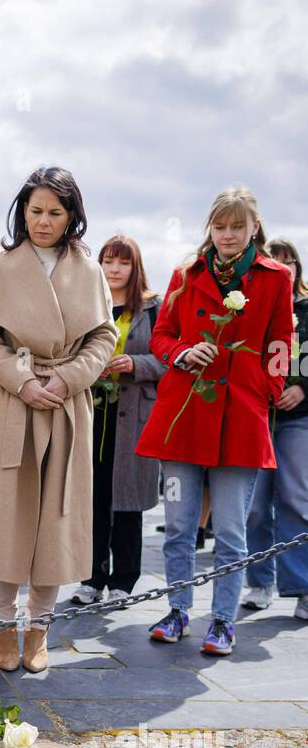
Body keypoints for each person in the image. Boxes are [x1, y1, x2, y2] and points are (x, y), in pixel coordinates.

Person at [0, 166, 117, 673]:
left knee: (57, 518)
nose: (44, 221)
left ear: (72, 215)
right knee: (6, 516)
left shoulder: (89, 270)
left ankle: (39, 629)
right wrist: (22, 379)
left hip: (65, 405)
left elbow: (103, 337)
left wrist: (68, 379)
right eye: (36, 211)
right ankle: (2, 627)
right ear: (22, 211)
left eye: (56, 212)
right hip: (14, 402)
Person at [136, 186, 293, 655]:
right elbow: (162, 334)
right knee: (180, 525)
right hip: (183, 418)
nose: (227, 235)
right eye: (220, 226)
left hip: (241, 420)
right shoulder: (186, 273)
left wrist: (264, 394)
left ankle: (222, 620)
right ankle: (177, 609)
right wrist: (182, 352)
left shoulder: (276, 277)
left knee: (230, 530)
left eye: (237, 227)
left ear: (254, 228)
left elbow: (282, 343)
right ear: (211, 227)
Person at [72, 235, 163, 605]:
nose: (114, 269)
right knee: (91, 499)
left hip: (134, 416)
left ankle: (124, 580)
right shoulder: (88, 303)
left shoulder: (152, 308)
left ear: (134, 267)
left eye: (123, 262)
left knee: (127, 500)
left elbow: (166, 360)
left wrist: (135, 364)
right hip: (92, 410)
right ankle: (91, 577)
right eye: (109, 260)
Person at [242, 237, 308, 619]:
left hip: (298, 418)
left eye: (289, 261)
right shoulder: (257, 306)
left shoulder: (307, 308)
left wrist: (302, 387)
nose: (283, 267)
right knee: (253, 507)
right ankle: (259, 582)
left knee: (297, 499)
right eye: (275, 261)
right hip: (260, 416)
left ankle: (301, 586)